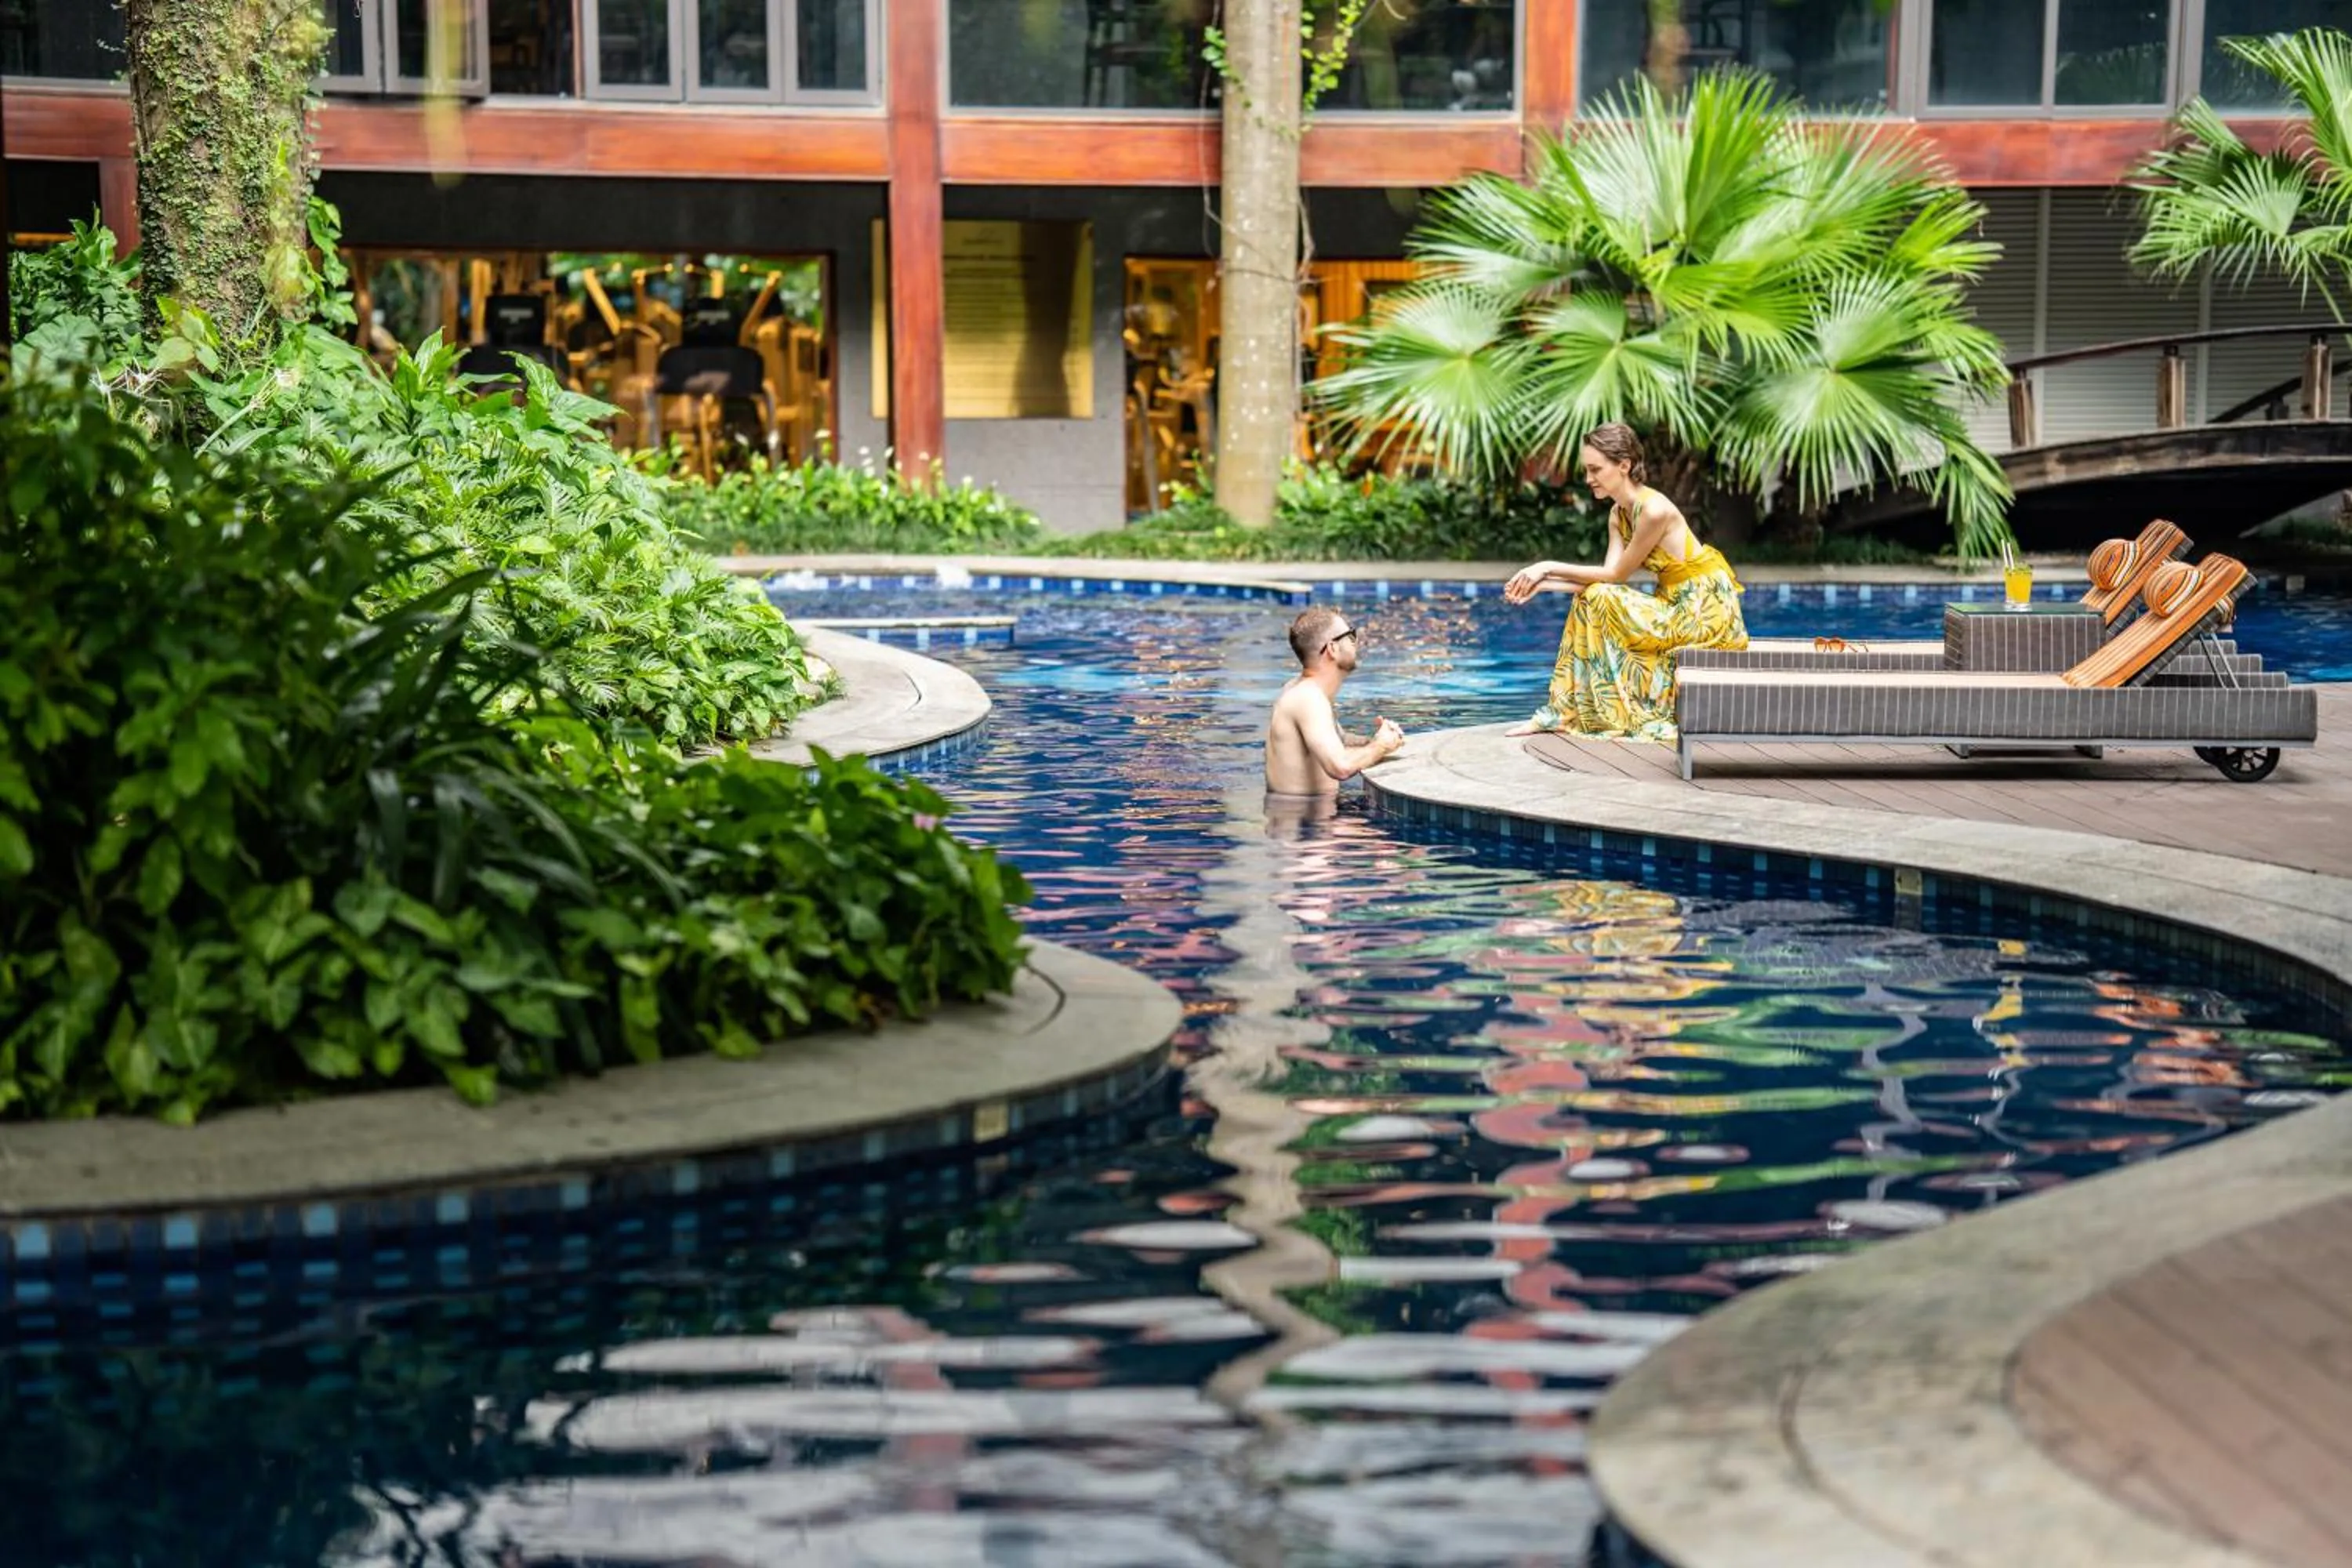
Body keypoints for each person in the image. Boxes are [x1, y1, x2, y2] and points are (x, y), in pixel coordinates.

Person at [1501, 422, 1748, 740]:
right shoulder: (1619, 513)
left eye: (1595, 470)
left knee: (1600, 596)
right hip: (1672, 605)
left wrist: (1547, 567)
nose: (1589, 479)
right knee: (1593, 598)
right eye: (1587, 470)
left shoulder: (1654, 510)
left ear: (1624, 465)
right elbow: (1605, 584)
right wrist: (1543, 585)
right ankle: (1560, 712)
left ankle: (1578, 713)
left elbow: (1615, 576)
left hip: (1705, 612)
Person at [1265, 606, 1406, 795]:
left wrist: (1374, 740)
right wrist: (1380, 746)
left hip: (1312, 815)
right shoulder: (1308, 699)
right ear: (1332, 648)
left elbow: (1335, 740)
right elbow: (1340, 767)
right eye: (1350, 635)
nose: (1355, 643)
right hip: (1306, 822)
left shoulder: (1305, 691)